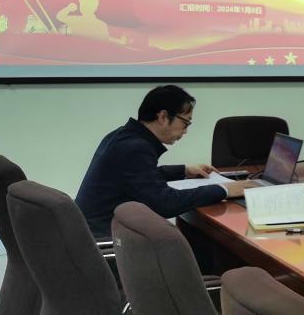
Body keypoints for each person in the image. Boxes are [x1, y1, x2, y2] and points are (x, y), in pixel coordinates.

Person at [76, 85, 254, 237]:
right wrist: (224, 189)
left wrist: (184, 170)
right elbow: (165, 204)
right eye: (185, 123)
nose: (185, 131)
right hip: (106, 240)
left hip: (91, 231)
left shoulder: (122, 136)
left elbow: (140, 178)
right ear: (162, 117)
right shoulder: (135, 148)